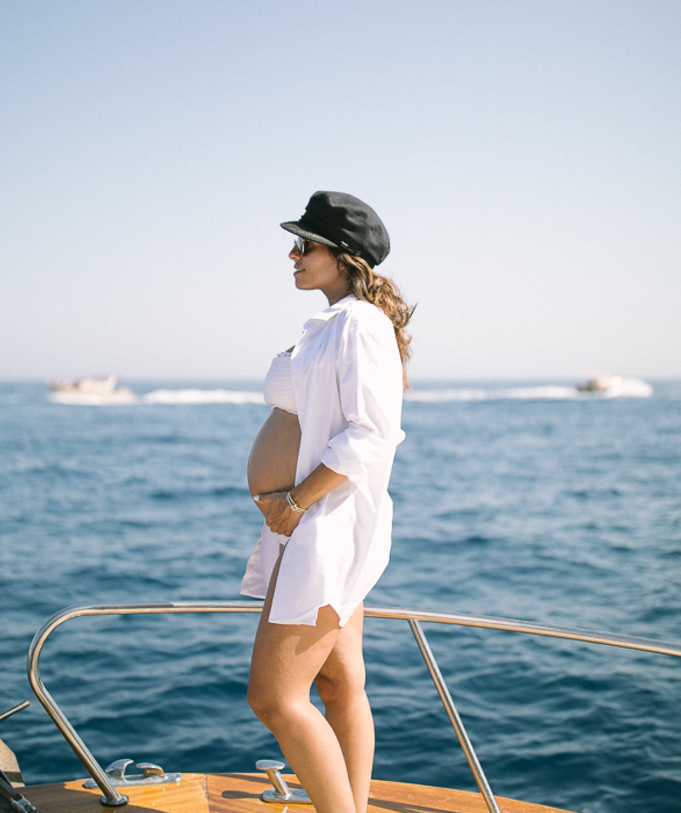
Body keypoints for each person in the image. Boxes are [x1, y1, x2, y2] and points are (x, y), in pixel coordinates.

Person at [241, 191, 412, 813]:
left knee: (274, 698)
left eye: (303, 243)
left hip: (324, 526)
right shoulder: (336, 322)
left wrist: (291, 505)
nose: (292, 253)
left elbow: (371, 433)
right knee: (339, 684)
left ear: (343, 257)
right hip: (315, 525)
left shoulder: (360, 324)